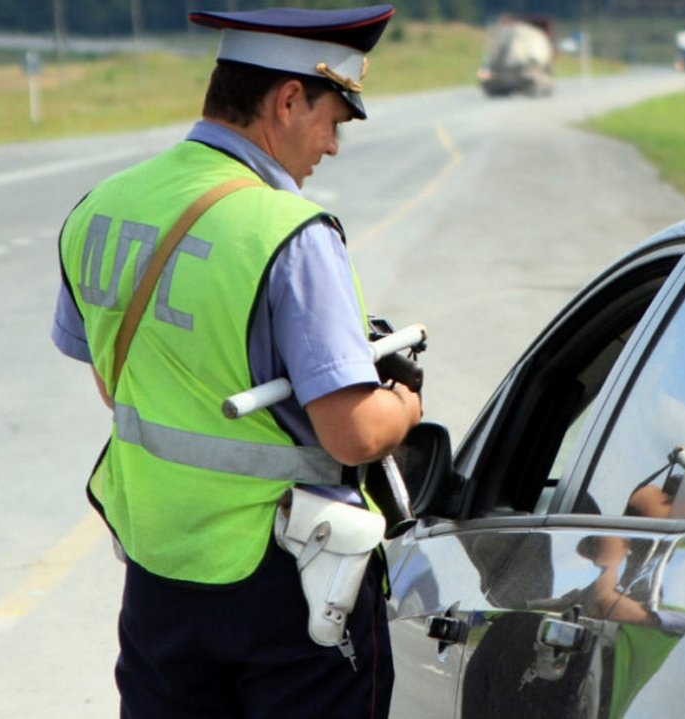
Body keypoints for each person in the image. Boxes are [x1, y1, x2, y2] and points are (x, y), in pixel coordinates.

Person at [49, 5, 420, 718]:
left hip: (159, 575)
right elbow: (352, 433)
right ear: (288, 99)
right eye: (334, 120)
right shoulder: (290, 232)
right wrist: (405, 403)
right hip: (288, 584)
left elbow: (115, 382)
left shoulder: (103, 204)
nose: (332, 146)